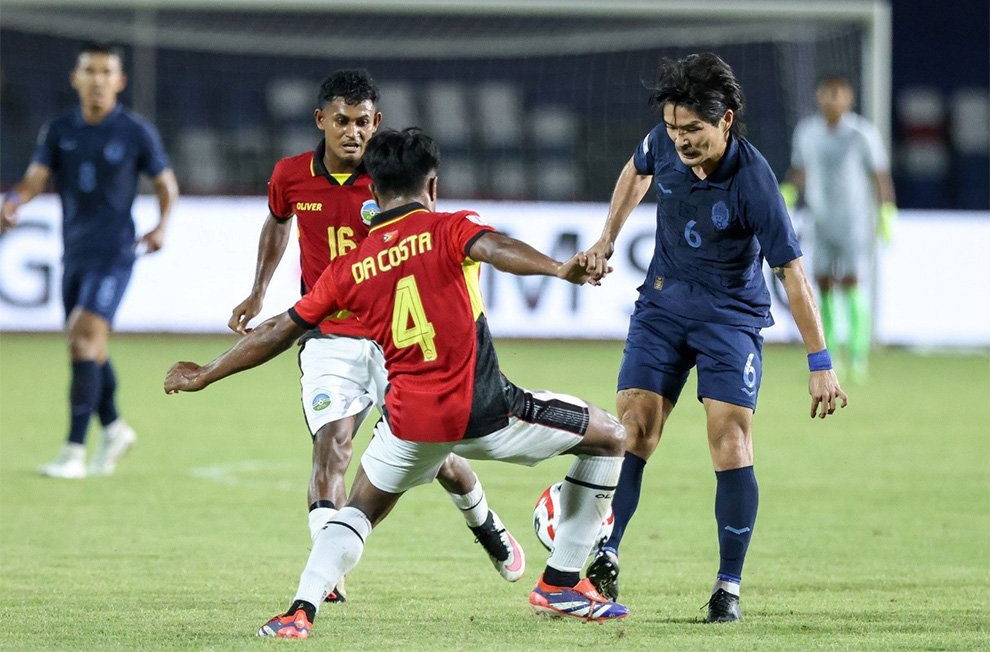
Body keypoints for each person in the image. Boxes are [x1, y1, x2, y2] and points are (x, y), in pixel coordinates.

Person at [166, 127, 630, 638]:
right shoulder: (451, 227)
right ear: (432, 186)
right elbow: (496, 247)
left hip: (408, 422)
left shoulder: (351, 267)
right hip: (481, 410)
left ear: (372, 191)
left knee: (359, 510)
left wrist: (207, 373)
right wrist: (558, 268)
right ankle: (560, 583)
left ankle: (299, 611)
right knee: (611, 436)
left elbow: (279, 329)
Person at [227, 71, 521, 602]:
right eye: (341, 121)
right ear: (321, 121)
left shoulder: (390, 180)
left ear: (376, 123)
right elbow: (277, 221)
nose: (353, 132)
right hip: (327, 336)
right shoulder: (291, 175)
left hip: (394, 337)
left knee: (440, 458)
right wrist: (258, 290)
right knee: (332, 446)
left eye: (363, 122)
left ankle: (485, 523)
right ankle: (329, 571)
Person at [580, 53, 848, 623]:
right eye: (675, 128)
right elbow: (637, 169)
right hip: (661, 307)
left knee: (729, 441)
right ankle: (605, 554)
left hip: (729, 319)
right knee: (633, 432)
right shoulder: (663, 141)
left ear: (726, 120)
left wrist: (819, 360)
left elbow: (792, 274)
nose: (680, 141)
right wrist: (607, 237)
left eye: (693, 130)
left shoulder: (754, 181)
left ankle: (728, 585)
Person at [1, 41, 179, 479]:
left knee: (82, 340)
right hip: (75, 254)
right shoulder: (60, 129)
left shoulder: (136, 132)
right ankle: (115, 427)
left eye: (106, 72)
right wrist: (13, 201)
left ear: (119, 81)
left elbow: (166, 185)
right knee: (89, 348)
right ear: (75, 79)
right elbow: (34, 180)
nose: (97, 79)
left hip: (116, 254)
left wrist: (161, 226)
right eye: (90, 71)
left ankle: (73, 452)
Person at [782, 75, 897, 383]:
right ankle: (829, 353)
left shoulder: (863, 133)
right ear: (819, 97)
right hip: (820, 221)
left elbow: (879, 175)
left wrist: (886, 210)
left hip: (854, 222)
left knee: (851, 282)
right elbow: (801, 169)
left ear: (849, 99)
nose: (831, 100)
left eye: (837, 94)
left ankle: (858, 356)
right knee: (822, 285)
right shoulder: (807, 132)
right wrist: (786, 195)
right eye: (826, 94)